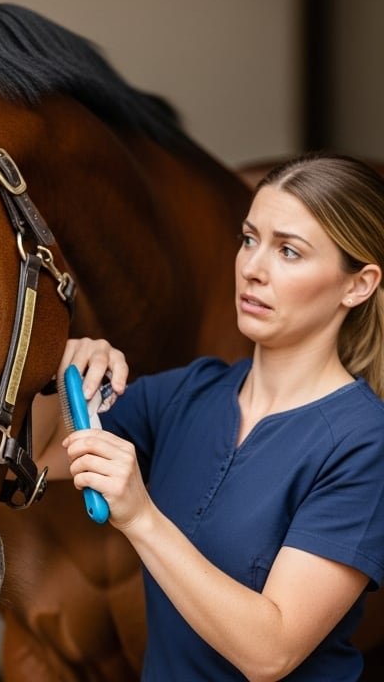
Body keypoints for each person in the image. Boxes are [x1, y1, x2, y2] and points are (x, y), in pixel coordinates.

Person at [56, 152, 384, 680]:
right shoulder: (188, 393)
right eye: (249, 239)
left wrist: (141, 518)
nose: (252, 268)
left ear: (357, 285)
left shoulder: (363, 443)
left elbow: (270, 652)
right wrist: (72, 373)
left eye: (289, 252)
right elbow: (42, 455)